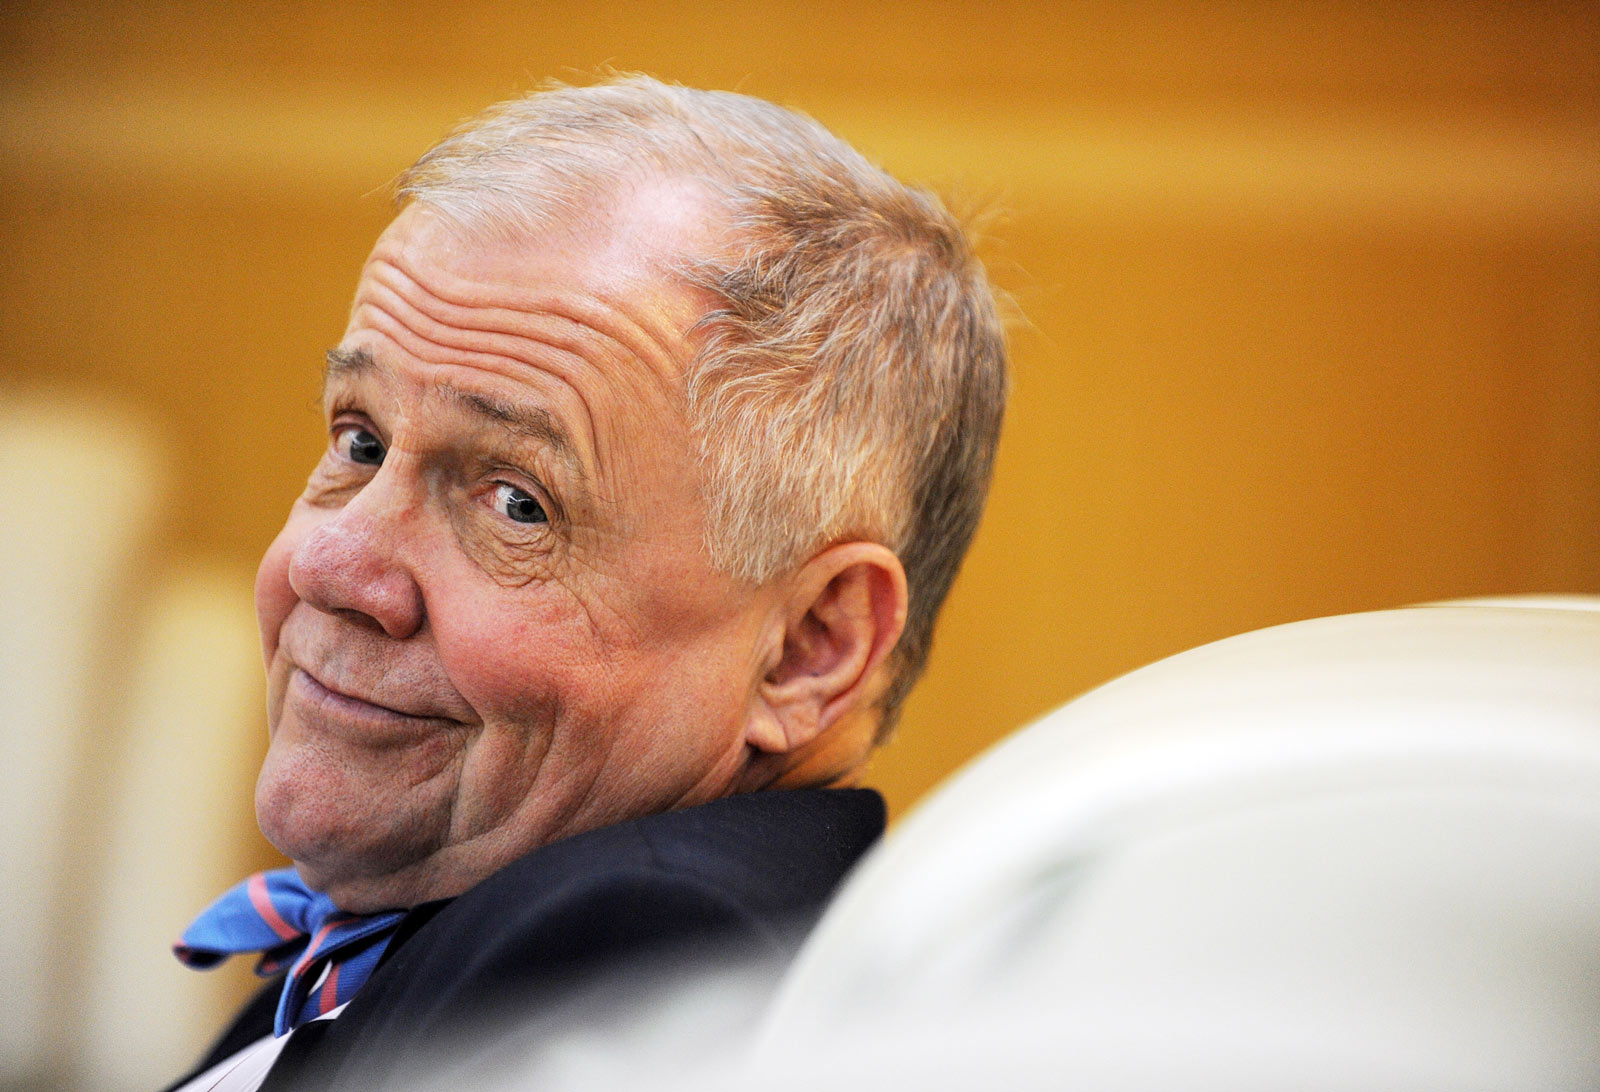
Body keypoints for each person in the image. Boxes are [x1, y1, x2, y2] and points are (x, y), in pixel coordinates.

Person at [164, 73, 1007, 1091]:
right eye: (359, 439)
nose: (329, 565)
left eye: (517, 502)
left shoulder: (631, 946)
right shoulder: (488, 905)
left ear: (808, 647)